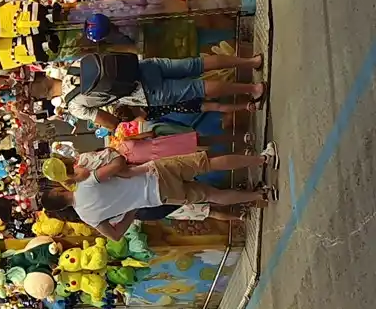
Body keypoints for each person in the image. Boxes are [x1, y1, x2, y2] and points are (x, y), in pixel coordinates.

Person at [39, 147, 277, 241]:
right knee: (208, 164)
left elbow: (116, 235)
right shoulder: (87, 183)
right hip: (153, 174)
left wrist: (132, 208)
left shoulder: (88, 217)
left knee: (211, 195)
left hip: (157, 198)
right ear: (59, 189)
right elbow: (118, 164)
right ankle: (263, 159)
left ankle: (260, 196)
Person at [27, 54, 266, 130]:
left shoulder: (73, 106)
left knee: (197, 88)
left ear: (48, 96)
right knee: (196, 64)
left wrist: (117, 121)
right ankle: (251, 61)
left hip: (144, 94)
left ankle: (251, 89)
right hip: (143, 67)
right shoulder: (75, 64)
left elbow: (109, 122)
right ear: (48, 77)